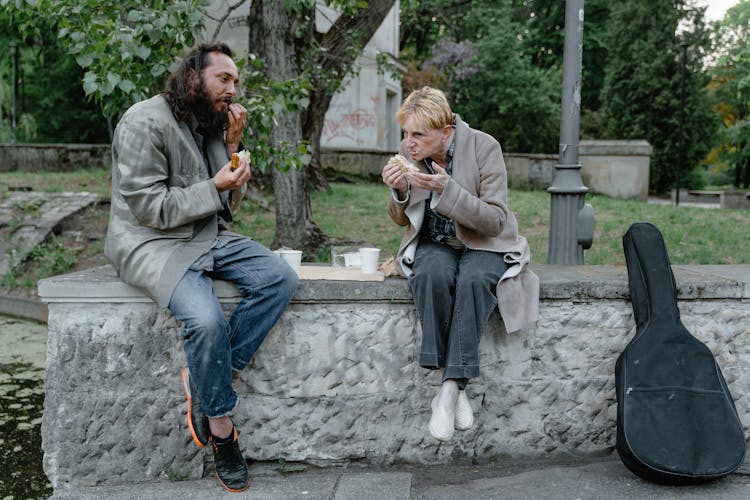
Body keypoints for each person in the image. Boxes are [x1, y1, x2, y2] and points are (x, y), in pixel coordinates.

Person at [104, 43, 298, 492]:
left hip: (204, 235)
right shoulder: (143, 121)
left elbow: (225, 206)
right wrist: (215, 185)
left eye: (235, 81)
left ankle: (210, 377)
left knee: (279, 278)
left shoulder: (210, 122)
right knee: (206, 320)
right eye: (224, 80)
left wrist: (231, 148)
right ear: (194, 77)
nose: (233, 89)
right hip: (152, 243)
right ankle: (222, 429)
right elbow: (149, 206)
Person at [381, 87, 539, 442]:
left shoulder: (485, 147)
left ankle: (449, 389)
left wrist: (447, 189)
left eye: (418, 135)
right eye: (406, 134)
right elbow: (399, 219)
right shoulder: (413, 156)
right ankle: (457, 386)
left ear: (446, 132)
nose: (409, 143)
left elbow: (495, 220)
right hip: (437, 243)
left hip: (486, 243)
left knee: (473, 279)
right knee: (430, 273)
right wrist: (399, 193)